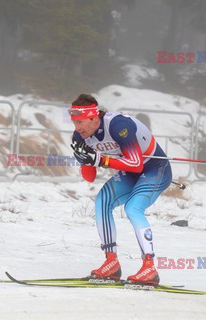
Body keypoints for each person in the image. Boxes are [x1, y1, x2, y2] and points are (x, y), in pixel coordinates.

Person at [69, 94, 172, 284]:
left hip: (155, 169)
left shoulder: (118, 125)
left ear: (94, 117)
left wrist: (100, 159)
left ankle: (149, 268)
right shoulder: (80, 136)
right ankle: (111, 263)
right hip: (131, 173)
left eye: (80, 122)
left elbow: (136, 163)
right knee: (102, 200)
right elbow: (89, 177)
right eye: (74, 122)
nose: (77, 128)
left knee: (133, 208)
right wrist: (83, 159)